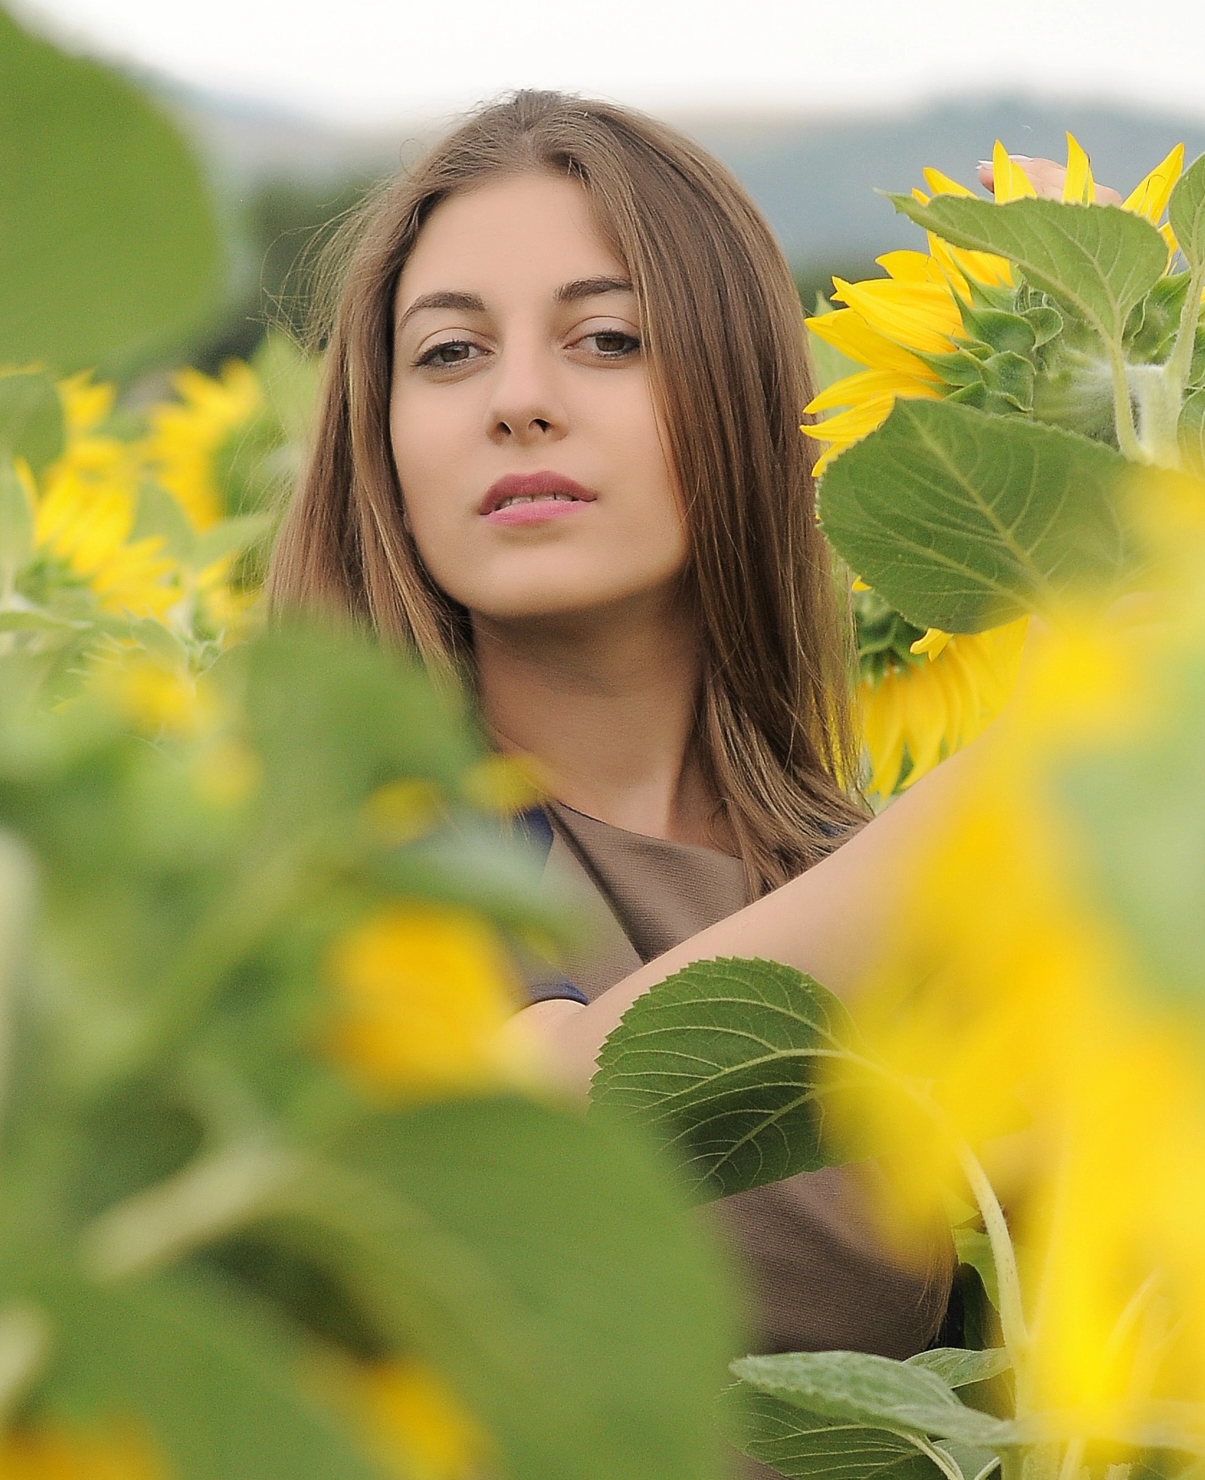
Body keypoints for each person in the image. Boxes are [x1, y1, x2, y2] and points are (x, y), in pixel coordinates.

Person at [269, 90, 1061, 1372]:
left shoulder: (851, 863)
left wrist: (1091, 390)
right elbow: (524, 1127)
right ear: (382, 436)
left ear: (744, 397)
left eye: (607, 338)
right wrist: (1021, 779)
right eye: (449, 353)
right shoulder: (326, 842)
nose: (517, 402)